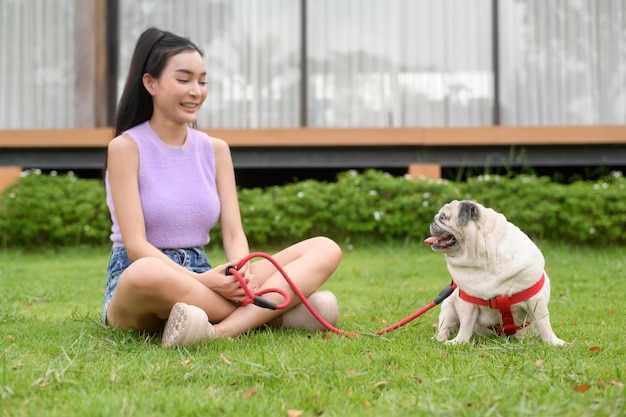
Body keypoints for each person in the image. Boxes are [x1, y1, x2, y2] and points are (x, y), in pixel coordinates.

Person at [102, 27, 342, 347]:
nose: (196, 91)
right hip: (144, 278)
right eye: (184, 79)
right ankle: (279, 313)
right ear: (151, 83)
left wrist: (243, 276)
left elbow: (233, 232)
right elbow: (135, 246)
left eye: (202, 81)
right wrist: (204, 281)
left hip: (210, 276)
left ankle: (219, 330)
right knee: (147, 273)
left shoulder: (215, 149)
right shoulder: (125, 148)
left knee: (325, 247)